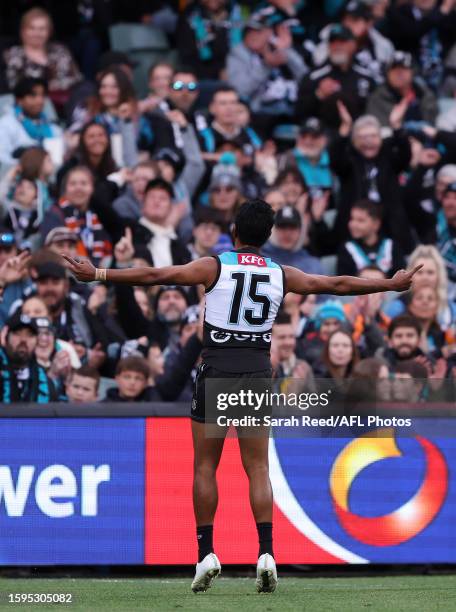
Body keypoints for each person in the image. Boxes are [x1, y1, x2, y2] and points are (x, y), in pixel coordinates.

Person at [64, 198, 421, 594]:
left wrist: (98, 273)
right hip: (255, 371)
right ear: (268, 236)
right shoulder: (280, 272)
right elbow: (335, 284)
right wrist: (390, 283)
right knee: (257, 468)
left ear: (234, 231)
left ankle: (206, 554)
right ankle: (266, 552)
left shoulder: (214, 265)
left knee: (204, 467)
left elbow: (157, 273)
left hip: (217, 368)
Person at [295, 24, 376, 131]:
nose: (337, 46)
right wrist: (318, 95)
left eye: (342, 42)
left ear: (353, 45)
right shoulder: (314, 76)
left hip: (358, 133)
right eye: (333, 42)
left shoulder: (366, 76)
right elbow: (298, 113)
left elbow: (373, 111)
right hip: (322, 134)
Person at [3, 7, 82, 111]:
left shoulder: (60, 50)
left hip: (68, 102)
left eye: (42, 29)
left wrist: (48, 87)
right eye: (32, 28)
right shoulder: (13, 55)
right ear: (23, 31)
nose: (37, 33)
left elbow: (76, 78)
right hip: (32, 108)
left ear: (49, 32)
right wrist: (53, 87)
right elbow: (16, 85)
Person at [0, 77, 63, 167]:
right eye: (33, 96)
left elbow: (59, 159)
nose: (40, 101)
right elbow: (3, 158)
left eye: (42, 96)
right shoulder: (6, 124)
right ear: (19, 100)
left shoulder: (52, 127)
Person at [367, 51, 438, 128]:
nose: (398, 73)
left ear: (413, 72)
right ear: (387, 74)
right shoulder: (378, 98)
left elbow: (432, 124)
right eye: (394, 69)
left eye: (403, 68)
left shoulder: (423, 93)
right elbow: (379, 130)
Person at [337, 199, 405, 277]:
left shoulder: (391, 246)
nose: (353, 224)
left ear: (376, 224)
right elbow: (343, 281)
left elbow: (401, 277)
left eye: (360, 220)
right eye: (352, 219)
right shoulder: (346, 248)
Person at [0, 311, 57, 403]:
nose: (23, 340)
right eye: (17, 333)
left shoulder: (47, 384)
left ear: (36, 341)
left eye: (30, 335)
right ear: (5, 338)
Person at [262, 205, 323, 274]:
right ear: (273, 230)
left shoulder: (313, 265)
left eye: (293, 227)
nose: (287, 233)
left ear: (301, 231)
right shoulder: (260, 260)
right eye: (282, 227)